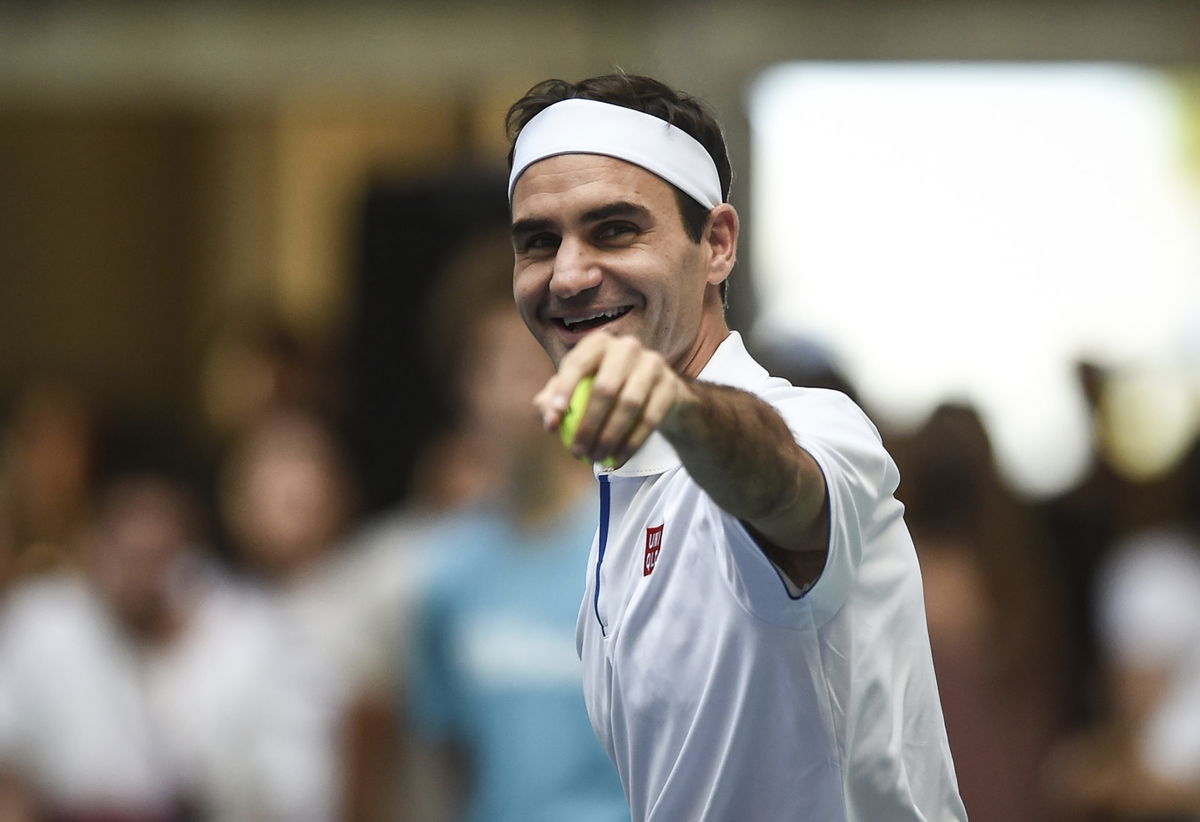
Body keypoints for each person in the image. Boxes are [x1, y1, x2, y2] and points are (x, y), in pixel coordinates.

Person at [505, 73, 968, 821]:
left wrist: (675, 401)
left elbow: (782, 484)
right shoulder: (618, 497)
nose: (569, 274)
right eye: (538, 242)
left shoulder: (817, 427)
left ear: (717, 244)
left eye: (615, 229)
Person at [406, 230, 629, 822]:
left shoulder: (629, 547)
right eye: (485, 368)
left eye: (525, 363)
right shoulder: (445, 572)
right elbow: (450, 761)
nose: (508, 396)